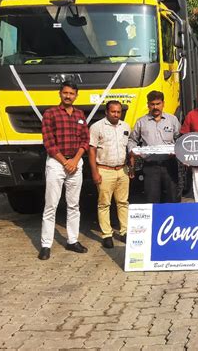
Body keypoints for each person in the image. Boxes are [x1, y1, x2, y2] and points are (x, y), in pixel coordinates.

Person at [38, 81, 89, 260]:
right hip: (56, 163)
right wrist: (65, 162)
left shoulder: (80, 115)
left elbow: (85, 140)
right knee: (51, 205)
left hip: (76, 163)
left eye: (71, 93)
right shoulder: (50, 113)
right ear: (60, 93)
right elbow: (49, 142)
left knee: (74, 205)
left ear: (76, 96)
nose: (68, 96)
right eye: (65, 93)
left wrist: (75, 160)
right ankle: (46, 245)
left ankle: (72, 241)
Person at [88, 100, 131, 249]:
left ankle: (125, 232)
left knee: (123, 202)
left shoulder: (125, 126)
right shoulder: (96, 127)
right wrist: (94, 172)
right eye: (113, 112)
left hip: (122, 170)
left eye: (118, 112)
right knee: (104, 204)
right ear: (107, 112)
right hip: (104, 170)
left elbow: (128, 148)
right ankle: (107, 235)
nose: (116, 114)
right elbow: (92, 150)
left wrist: (130, 167)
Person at [128, 90, 181, 204]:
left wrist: (177, 151)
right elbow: (132, 140)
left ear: (163, 104)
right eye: (152, 104)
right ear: (148, 105)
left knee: (172, 199)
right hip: (150, 166)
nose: (155, 107)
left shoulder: (172, 120)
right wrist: (133, 150)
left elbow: (179, 139)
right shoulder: (141, 122)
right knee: (152, 200)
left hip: (169, 165)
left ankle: (173, 216)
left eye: (158, 104)